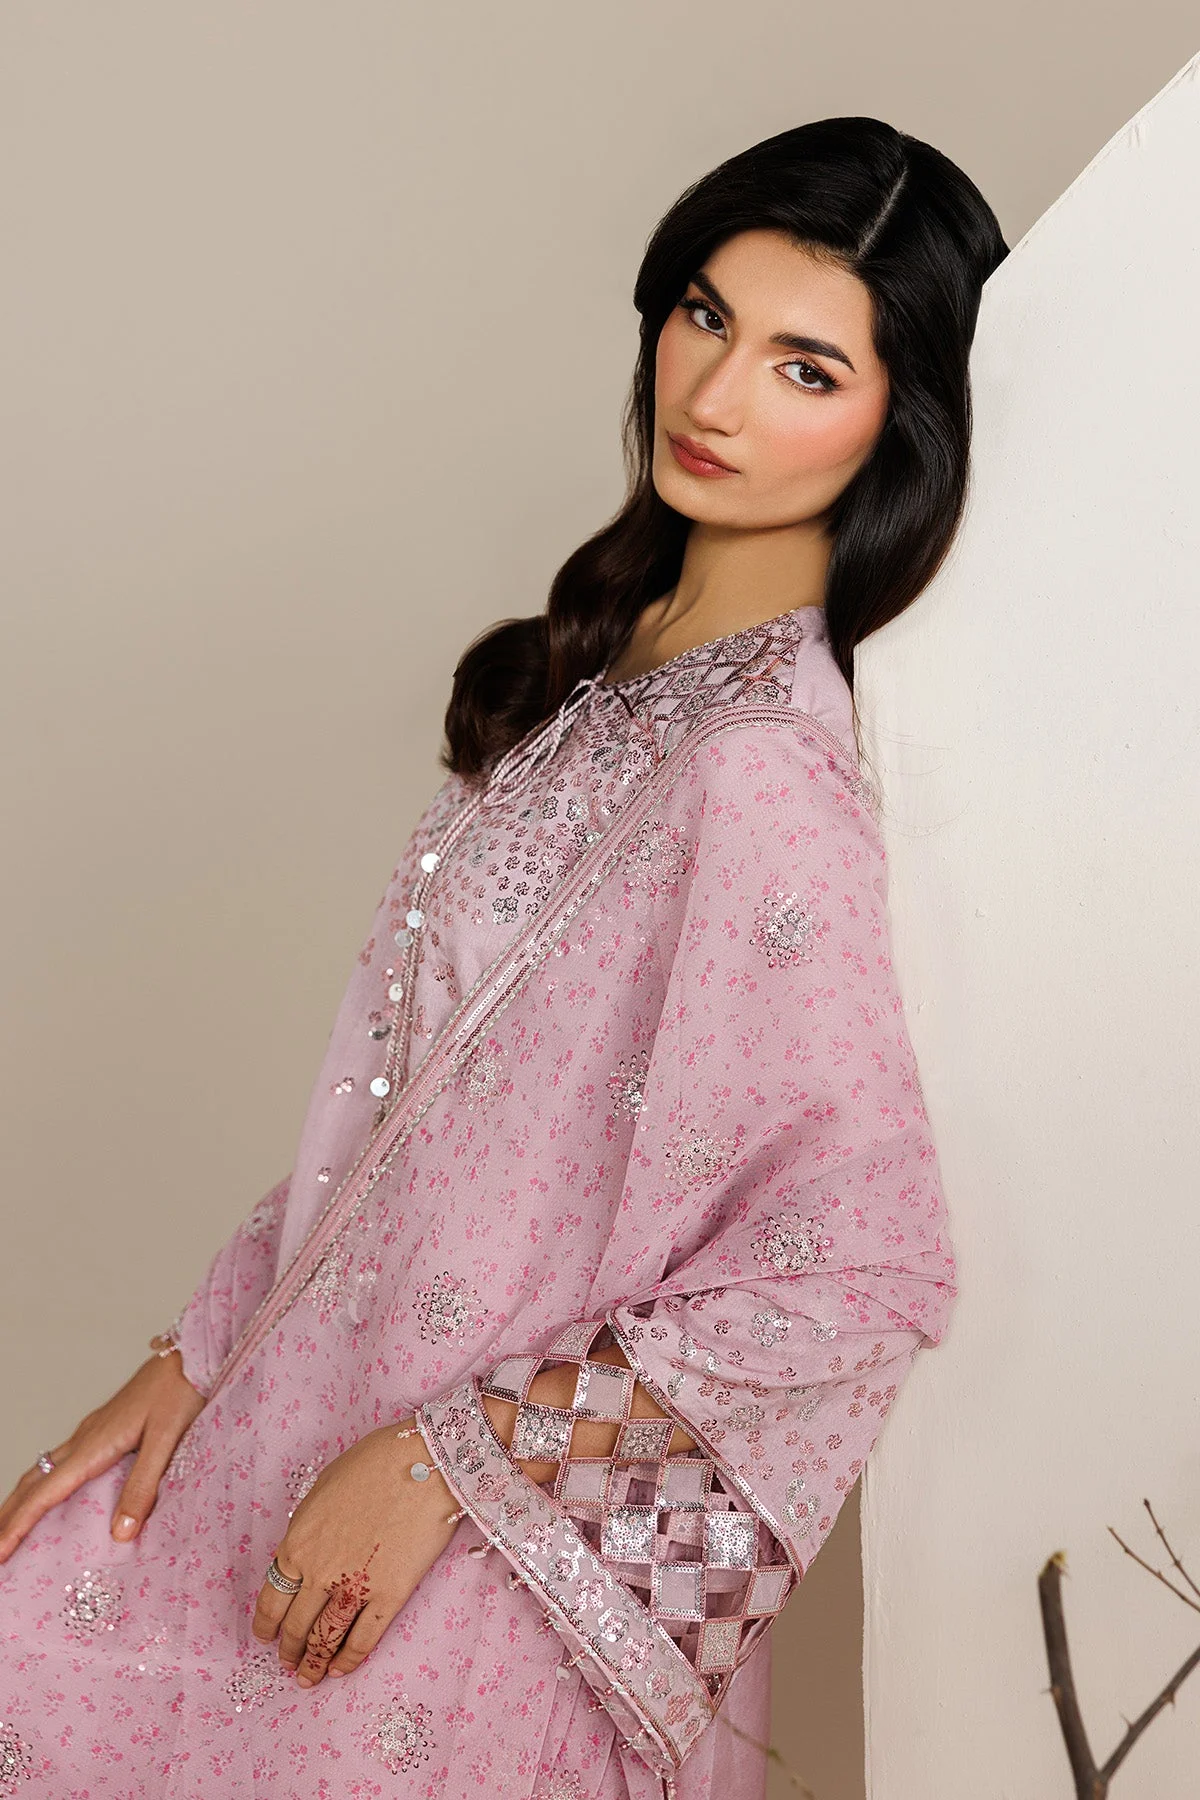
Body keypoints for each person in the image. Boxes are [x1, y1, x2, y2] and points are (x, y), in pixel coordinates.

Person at [0, 116, 1007, 1799]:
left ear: (898, 427)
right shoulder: (608, 676)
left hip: (448, 1568)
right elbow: (428, 1123)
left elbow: (858, 1266)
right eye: (706, 316)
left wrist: (451, 1463)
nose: (717, 397)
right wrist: (197, 1352)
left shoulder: (765, 768)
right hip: (300, 1424)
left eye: (806, 369)